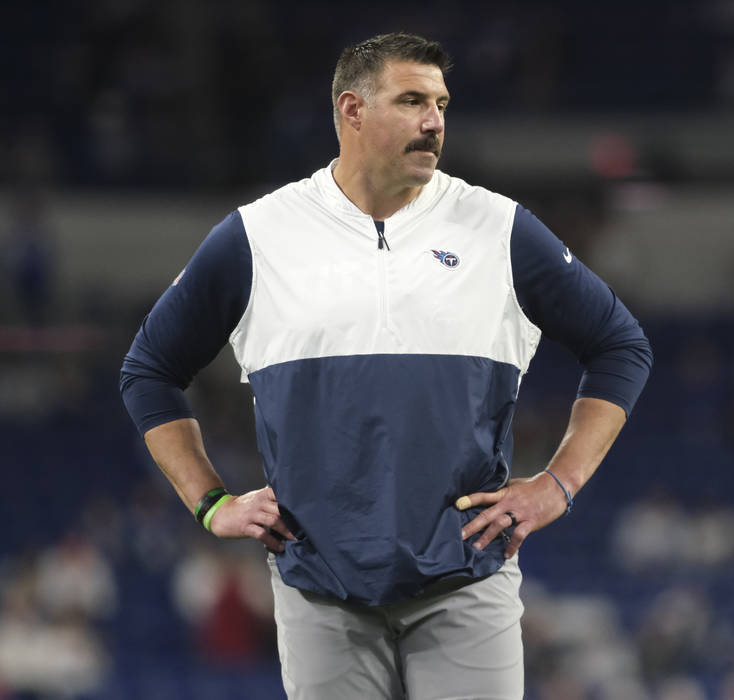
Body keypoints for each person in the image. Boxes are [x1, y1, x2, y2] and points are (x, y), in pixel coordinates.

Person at [120, 32, 652, 699]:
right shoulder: (259, 235)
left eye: (441, 103)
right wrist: (210, 503)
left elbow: (621, 346)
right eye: (411, 101)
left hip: (467, 584)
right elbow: (148, 372)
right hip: (319, 594)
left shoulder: (498, 228)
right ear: (352, 111)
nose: (434, 121)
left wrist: (559, 484)